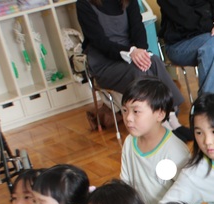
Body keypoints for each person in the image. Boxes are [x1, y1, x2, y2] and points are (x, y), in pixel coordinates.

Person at [76, 0, 187, 131]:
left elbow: (138, 28)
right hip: (104, 64)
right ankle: (161, 123)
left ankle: (172, 118)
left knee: (154, 61)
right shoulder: (84, 4)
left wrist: (140, 52)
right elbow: (99, 41)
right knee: (139, 71)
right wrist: (131, 52)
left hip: (131, 56)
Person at [119, 78, 190, 204]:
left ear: (160, 114)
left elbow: (186, 195)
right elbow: (125, 183)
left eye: (136, 111)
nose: (128, 118)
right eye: (124, 110)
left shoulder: (175, 151)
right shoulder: (129, 142)